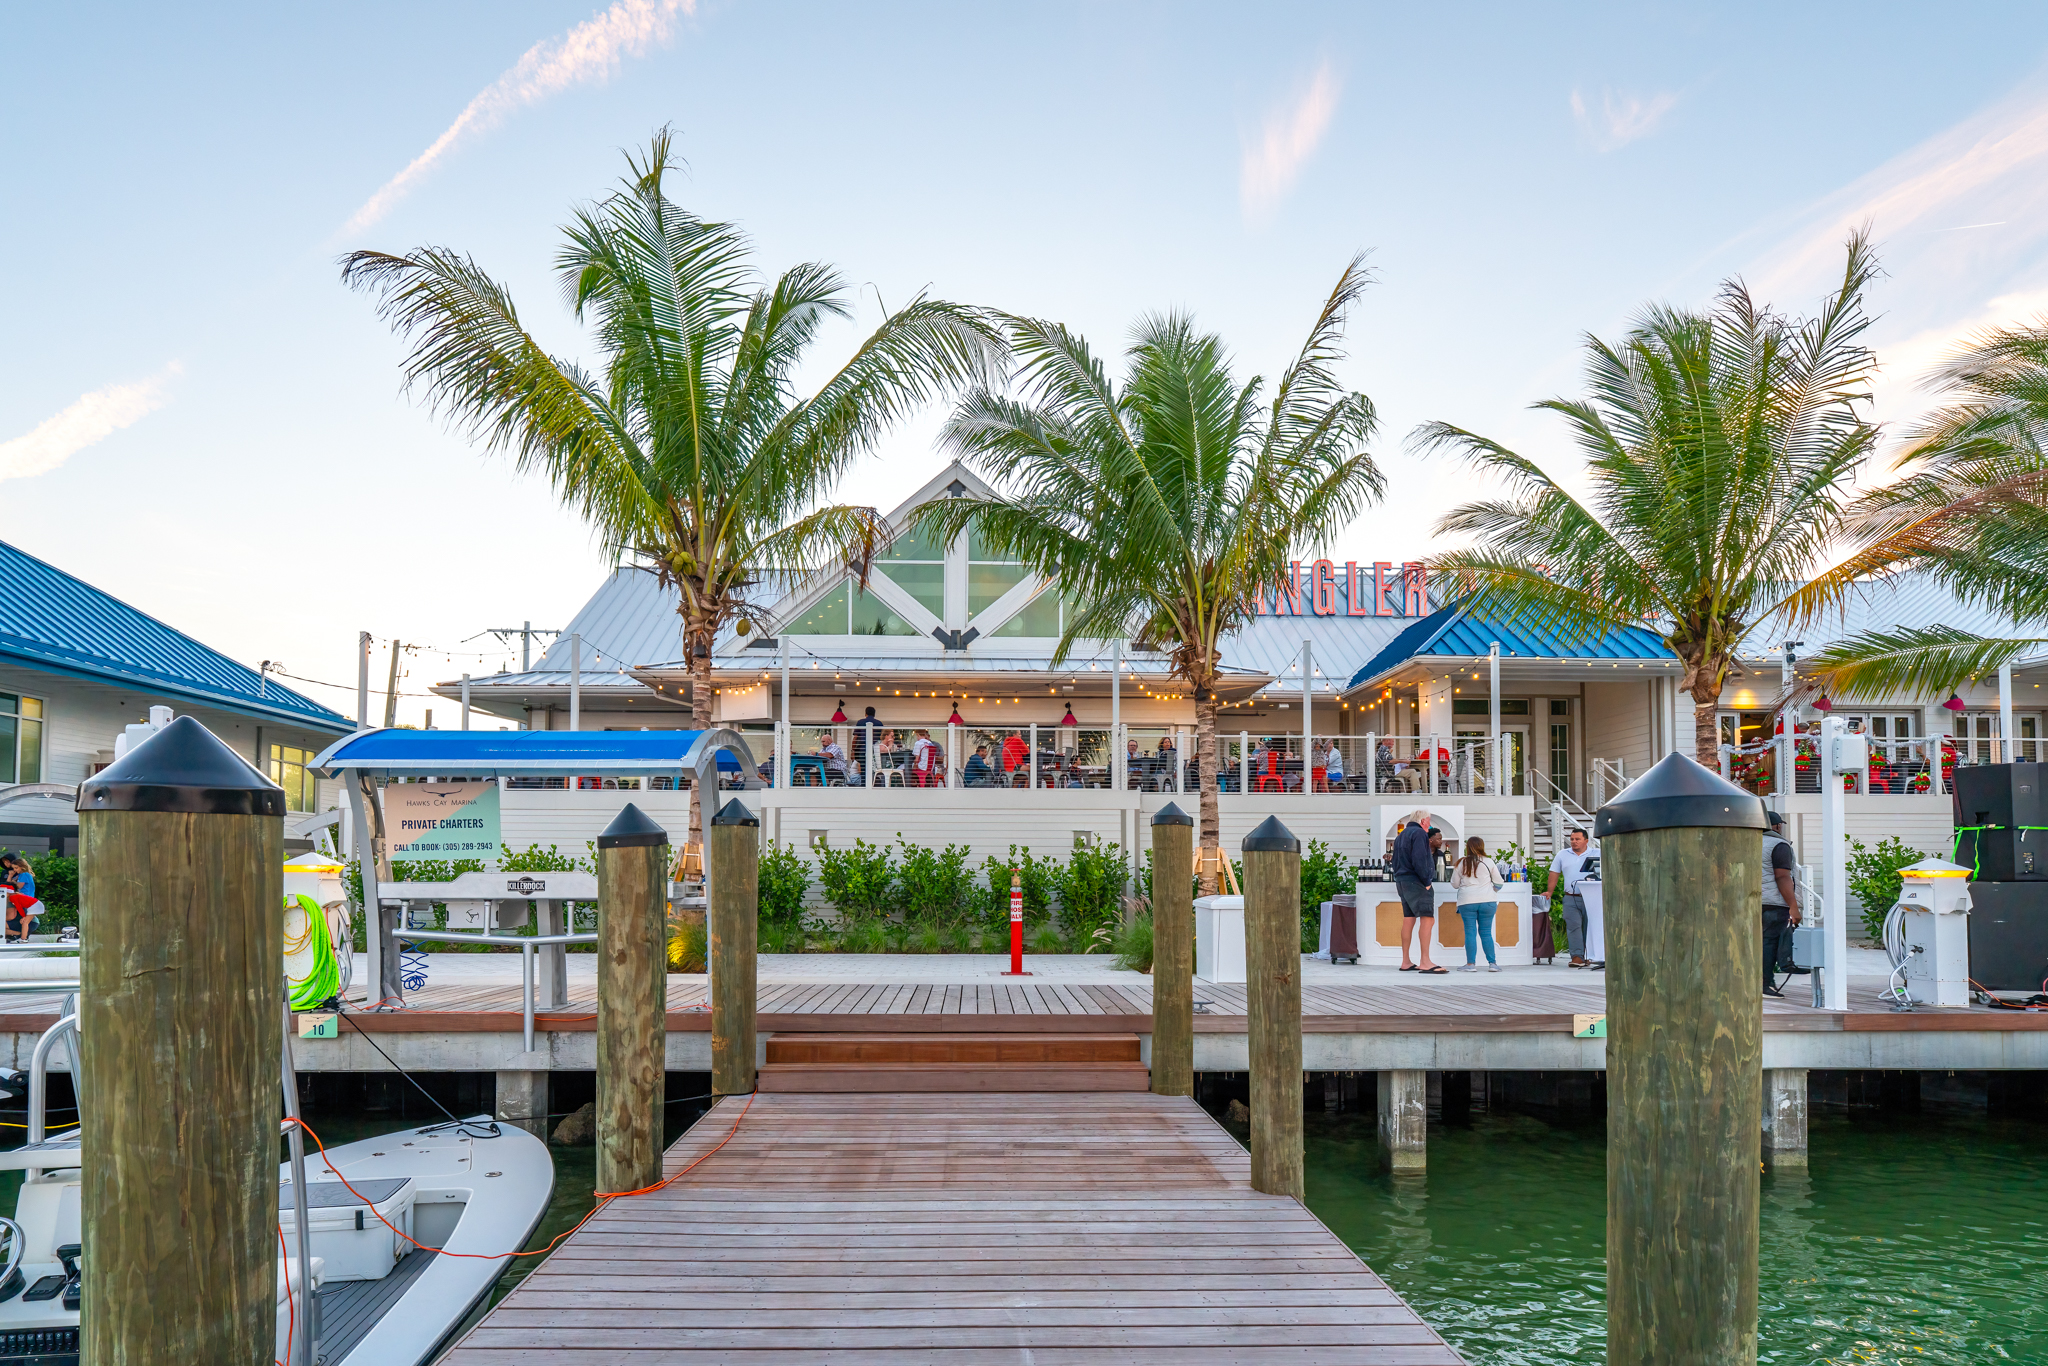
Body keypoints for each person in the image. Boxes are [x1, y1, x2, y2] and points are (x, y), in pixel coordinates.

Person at [1390, 812, 1444, 973]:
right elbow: (1420, 858)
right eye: (1428, 821)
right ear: (1422, 820)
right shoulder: (1420, 833)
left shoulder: (1401, 835)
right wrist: (1427, 881)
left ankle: (1405, 961)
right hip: (1416, 881)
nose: (1430, 825)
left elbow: (1395, 860)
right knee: (1427, 919)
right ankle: (1425, 961)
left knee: (1409, 919)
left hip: (1401, 881)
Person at [1761, 810, 1802, 997]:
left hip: (1755, 901)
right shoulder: (1779, 845)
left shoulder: (1751, 842)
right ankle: (1765, 983)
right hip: (1775, 902)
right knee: (1770, 942)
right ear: (1777, 826)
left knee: (1759, 943)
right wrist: (1793, 906)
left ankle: (1762, 982)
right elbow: (1783, 876)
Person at [1451, 836, 1504, 972]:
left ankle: (1470, 965)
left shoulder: (1461, 863)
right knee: (1486, 932)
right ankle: (1492, 964)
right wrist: (1492, 890)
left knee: (1470, 932)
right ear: (1482, 846)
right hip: (1488, 901)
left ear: (1467, 847)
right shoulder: (1488, 862)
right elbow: (1499, 882)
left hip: (1467, 901)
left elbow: (1455, 885)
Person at [1546, 827, 1597, 968]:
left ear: (1586, 840)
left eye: (1577, 839)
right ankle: (1577, 957)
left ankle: (1590, 956)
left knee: (1591, 927)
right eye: (1572, 839)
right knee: (1573, 926)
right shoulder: (1563, 854)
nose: (1574, 842)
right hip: (1571, 897)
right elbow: (1554, 873)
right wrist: (1549, 892)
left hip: (1593, 897)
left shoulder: (1597, 853)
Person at [852, 706, 881, 773]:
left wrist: (853, 750)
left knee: (863, 769)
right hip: (875, 750)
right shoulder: (879, 723)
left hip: (862, 749)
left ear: (865, 714)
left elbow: (855, 737)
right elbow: (881, 738)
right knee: (875, 769)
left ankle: (864, 783)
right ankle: (874, 782)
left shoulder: (860, 722)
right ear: (874, 714)